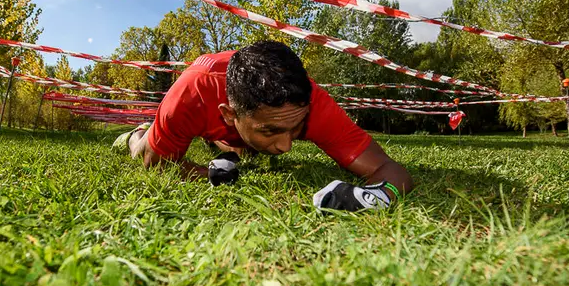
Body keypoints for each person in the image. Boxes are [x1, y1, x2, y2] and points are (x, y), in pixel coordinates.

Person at [113, 40, 414, 211]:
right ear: (229, 115)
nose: (286, 146)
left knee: (246, 149)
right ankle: (137, 132)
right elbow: (157, 165)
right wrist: (207, 174)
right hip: (204, 118)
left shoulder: (312, 103)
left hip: (236, 131)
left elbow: (390, 169)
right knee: (142, 150)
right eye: (271, 131)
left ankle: (237, 145)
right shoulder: (191, 95)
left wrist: (378, 197)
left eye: (295, 128)